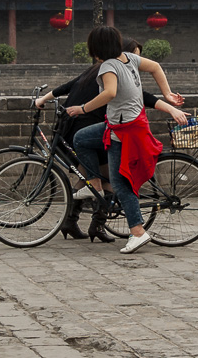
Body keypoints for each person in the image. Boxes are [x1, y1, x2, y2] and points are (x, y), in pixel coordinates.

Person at [35, 37, 182, 242]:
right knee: (106, 180)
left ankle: (84, 221)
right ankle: (98, 222)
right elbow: (144, 96)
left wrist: (44, 98)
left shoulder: (103, 68)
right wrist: (170, 104)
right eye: (136, 55)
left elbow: (68, 86)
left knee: (99, 179)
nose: (136, 63)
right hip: (96, 127)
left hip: (89, 126)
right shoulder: (111, 69)